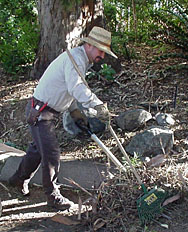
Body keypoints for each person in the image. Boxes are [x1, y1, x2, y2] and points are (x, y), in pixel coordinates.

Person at [8, 26, 117, 210]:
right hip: (40, 112)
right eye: (101, 51)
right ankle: (53, 197)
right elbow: (76, 88)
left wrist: (75, 112)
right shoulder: (76, 59)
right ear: (90, 45)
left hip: (44, 112)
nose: (102, 56)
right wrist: (97, 105)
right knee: (51, 154)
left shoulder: (80, 60)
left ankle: (17, 179)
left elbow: (68, 89)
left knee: (37, 150)